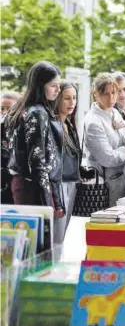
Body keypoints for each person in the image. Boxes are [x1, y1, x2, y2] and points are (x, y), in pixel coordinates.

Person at [7, 61, 64, 218]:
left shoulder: (25, 108)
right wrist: (49, 201)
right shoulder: (37, 113)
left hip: (27, 184)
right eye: (53, 85)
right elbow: (37, 160)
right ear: (40, 85)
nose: (58, 90)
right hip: (32, 186)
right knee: (36, 240)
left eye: (59, 85)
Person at [53, 82, 95, 247]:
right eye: (67, 98)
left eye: (74, 98)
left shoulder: (69, 124)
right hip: (59, 185)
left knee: (62, 234)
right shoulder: (53, 124)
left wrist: (80, 172)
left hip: (71, 183)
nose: (72, 102)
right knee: (56, 235)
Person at [84, 73, 125, 207]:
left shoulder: (115, 113)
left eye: (113, 93)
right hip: (104, 188)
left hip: (122, 181)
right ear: (95, 94)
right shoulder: (93, 121)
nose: (111, 98)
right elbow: (108, 158)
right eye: (106, 93)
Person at [1, 92, 20, 204]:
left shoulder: (24, 131)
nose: (4, 112)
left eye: (9, 108)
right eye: (2, 108)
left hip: (16, 188)